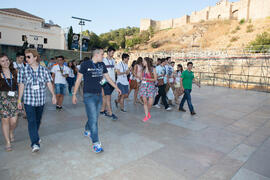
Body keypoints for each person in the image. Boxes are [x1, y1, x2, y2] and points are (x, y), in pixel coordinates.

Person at [72, 47, 121, 153]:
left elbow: (107, 78)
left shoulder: (101, 65)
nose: (103, 56)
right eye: (102, 54)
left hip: (98, 95)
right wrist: (74, 94)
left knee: (94, 117)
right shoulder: (85, 64)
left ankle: (87, 128)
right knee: (94, 119)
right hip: (88, 95)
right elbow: (79, 79)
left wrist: (116, 87)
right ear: (96, 54)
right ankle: (96, 143)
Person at [17, 49, 56, 153]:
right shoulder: (23, 70)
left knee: (38, 121)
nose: (27, 59)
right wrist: (19, 100)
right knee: (31, 121)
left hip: (40, 101)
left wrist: (53, 95)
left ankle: (35, 135)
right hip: (29, 101)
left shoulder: (44, 70)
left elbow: (49, 83)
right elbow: (21, 86)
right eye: (26, 57)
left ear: (35, 57)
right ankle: (35, 143)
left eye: (29, 57)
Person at [0, 54, 19, 152]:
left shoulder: (15, 72)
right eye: (2, 61)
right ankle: (8, 142)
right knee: (5, 121)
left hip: (14, 99)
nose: (5, 62)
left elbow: (20, 86)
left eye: (6, 60)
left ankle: (11, 131)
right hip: (2, 100)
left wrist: (20, 100)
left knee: (14, 121)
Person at [100, 47, 118, 120]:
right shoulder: (103, 60)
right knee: (108, 97)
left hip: (112, 81)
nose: (113, 54)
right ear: (108, 52)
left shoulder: (113, 61)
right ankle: (110, 113)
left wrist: (114, 81)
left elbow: (114, 71)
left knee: (104, 96)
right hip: (104, 81)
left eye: (114, 53)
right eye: (112, 52)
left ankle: (102, 110)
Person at [138, 57, 157, 122]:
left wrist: (147, 79)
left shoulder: (153, 69)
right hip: (143, 86)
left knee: (150, 102)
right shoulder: (142, 69)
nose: (142, 62)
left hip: (151, 86)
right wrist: (140, 77)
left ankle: (147, 112)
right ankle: (146, 116)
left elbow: (155, 79)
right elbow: (140, 78)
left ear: (147, 62)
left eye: (143, 61)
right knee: (145, 102)